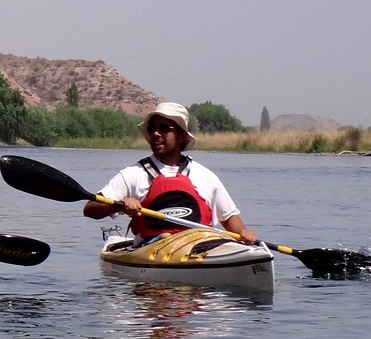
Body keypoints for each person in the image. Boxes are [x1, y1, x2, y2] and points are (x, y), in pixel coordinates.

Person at [82, 102, 258, 244]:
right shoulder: (133, 174)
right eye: (152, 129)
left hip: (200, 247)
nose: (156, 134)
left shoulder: (205, 176)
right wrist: (119, 205)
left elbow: (231, 222)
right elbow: (90, 209)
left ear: (182, 136)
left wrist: (245, 235)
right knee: (166, 238)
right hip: (153, 246)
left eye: (165, 129)